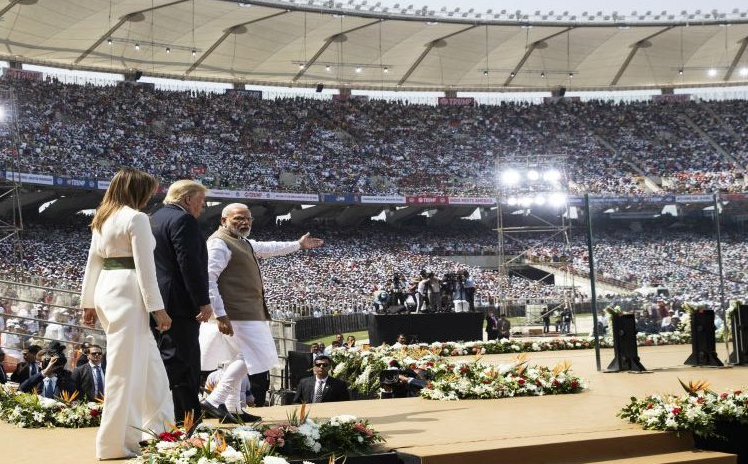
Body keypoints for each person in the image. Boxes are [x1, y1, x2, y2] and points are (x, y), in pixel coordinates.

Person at [81, 168, 174, 460]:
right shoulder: (136, 218)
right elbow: (146, 270)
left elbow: (93, 263)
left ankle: (161, 429)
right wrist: (158, 309)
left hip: (107, 292)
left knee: (151, 367)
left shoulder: (102, 218)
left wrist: (88, 302)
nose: (151, 196)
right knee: (124, 373)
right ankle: (115, 444)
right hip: (129, 293)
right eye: (148, 191)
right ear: (138, 191)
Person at [199, 203, 323, 421]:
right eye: (238, 218)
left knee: (237, 359)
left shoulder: (242, 241)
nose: (245, 222)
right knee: (258, 355)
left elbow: (269, 247)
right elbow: (208, 280)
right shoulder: (219, 243)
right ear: (223, 220)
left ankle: (234, 410)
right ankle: (214, 400)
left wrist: (298, 245)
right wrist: (219, 314)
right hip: (237, 313)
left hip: (245, 311)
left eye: (248, 218)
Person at [150, 180, 213, 424]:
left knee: (167, 358)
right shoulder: (183, 220)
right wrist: (202, 302)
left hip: (159, 301)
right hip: (179, 303)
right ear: (187, 199)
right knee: (183, 363)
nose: (204, 206)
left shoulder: (154, 218)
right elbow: (190, 264)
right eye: (201, 200)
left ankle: (168, 415)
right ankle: (187, 419)